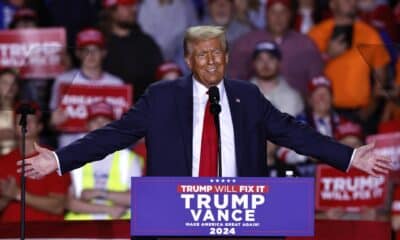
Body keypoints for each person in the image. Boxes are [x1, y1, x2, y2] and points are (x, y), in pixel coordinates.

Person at [21, 26, 391, 182]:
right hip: (177, 218)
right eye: (202, 55)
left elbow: (295, 134)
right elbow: (111, 136)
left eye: (218, 54)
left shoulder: (248, 97)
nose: (211, 61)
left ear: (228, 57)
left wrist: (349, 156)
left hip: (241, 218)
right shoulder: (161, 98)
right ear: (187, 60)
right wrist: (57, 159)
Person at [308, 0, 390, 126]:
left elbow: (382, 77)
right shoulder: (315, 34)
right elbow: (305, 75)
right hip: (324, 111)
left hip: (361, 114)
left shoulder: (370, 34)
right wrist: (328, 55)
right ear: (332, 4)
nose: (351, 1)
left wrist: (369, 110)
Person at [65, 102, 143, 220]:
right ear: (87, 125)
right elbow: (69, 203)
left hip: (119, 227)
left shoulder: (129, 158)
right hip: (82, 227)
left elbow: (138, 198)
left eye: (105, 121)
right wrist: (109, 209)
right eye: (95, 121)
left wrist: (99, 193)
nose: (100, 125)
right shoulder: (73, 156)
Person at [228, 0, 324, 95]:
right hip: (255, 103)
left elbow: (317, 81)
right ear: (266, 15)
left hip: (295, 106)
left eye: (283, 12)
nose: (278, 17)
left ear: (290, 15)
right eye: (273, 12)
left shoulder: (305, 44)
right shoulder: (247, 42)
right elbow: (234, 79)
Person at [49, 28, 124, 148]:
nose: (91, 55)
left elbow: (123, 125)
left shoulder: (116, 84)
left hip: (106, 150)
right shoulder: (63, 81)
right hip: (70, 148)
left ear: (104, 53)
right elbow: (53, 122)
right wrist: (53, 122)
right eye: (86, 50)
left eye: (96, 50)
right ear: (78, 53)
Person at [0, 102, 70, 222]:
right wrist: (6, 198)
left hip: (45, 234)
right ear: (13, 127)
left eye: (31, 120)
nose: (25, 123)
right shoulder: (3, 161)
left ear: (40, 126)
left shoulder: (53, 158)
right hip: (9, 234)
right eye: (20, 119)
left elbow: (58, 206)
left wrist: (18, 194)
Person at [100, 0, 163, 101]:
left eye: (134, 5)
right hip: (102, 110)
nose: (134, 9)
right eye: (127, 5)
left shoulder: (147, 43)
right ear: (111, 10)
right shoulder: (98, 43)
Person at [250, 41, 304, 116]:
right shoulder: (241, 96)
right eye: (260, 59)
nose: (265, 64)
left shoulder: (293, 96)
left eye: (271, 59)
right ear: (253, 64)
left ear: (279, 63)